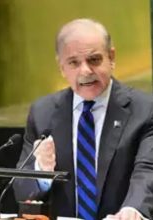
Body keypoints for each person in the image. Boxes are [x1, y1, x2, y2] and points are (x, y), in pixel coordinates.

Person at [13, 18, 153, 220]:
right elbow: (21, 191)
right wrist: (40, 171)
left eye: (94, 60)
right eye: (74, 63)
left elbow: (147, 171)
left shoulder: (144, 109)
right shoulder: (42, 112)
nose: (85, 71)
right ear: (61, 67)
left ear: (111, 57)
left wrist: (134, 209)